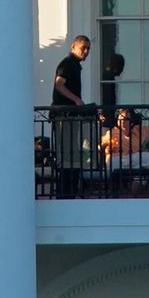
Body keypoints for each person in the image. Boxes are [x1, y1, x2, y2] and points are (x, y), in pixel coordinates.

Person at [52, 35, 91, 198]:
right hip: (64, 115)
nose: (86, 51)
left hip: (69, 115)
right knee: (67, 153)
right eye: (83, 48)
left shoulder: (74, 65)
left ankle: (70, 190)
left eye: (88, 48)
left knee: (72, 152)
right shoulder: (68, 63)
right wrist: (76, 100)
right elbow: (59, 84)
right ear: (73, 47)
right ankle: (66, 191)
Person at [98, 53, 126, 130]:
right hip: (107, 116)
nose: (122, 69)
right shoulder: (108, 78)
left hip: (108, 114)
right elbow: (108, 97)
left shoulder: (108, 77)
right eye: (122, 66)